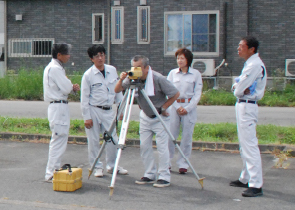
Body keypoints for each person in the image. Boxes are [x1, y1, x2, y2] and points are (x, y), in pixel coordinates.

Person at [115, 55, 180, 188]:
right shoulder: (132, 77)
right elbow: (117, 90)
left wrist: (164, 107)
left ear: (146, 68)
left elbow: (175, 93)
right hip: (145, 115)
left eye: (138, 67)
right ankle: (149, 174)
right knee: (144, 146)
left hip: (159, 116)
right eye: (133, 67)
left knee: (162, 147)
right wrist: (122, 78)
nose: (135, 70)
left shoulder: (158, 78)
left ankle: (164, 176)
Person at [80, 45, 126, 178]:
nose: (100, 58)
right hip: (94, 109)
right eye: (96, 56)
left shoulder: (112, 70)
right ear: (91, 59)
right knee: (93, 141)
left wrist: (120, 108)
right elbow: (84, 98)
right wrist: (86, 117)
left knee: (113, 139)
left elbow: (117, 90)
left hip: (108, 110)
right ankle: (96, 166)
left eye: (102, 55)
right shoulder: (88, 75)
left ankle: (112, 165)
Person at [231, 36, 267, 197]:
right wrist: (237, 87)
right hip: (243, 104)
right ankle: (245, 177)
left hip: (247, 105)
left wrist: (237, 88)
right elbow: (237, 84)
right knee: (243, 144)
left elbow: (239, 89)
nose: (239, 49)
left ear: (251, 49)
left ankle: (256, 184)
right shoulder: (250, 64)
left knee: (249, 145)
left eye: (242, 46)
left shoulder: (254, 65)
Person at [43, 43, 80, 181]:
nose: (69, 56)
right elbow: (66, 88)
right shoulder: (55, 69)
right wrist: (72, 87)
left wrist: (70, 86)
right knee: (58, 140)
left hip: (58, 106)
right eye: (67, 53)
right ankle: (51, 173)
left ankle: (53, 170)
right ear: (59, 55)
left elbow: (66, 86)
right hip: (58, 107)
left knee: (59, 139)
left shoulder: (55, 68)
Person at [166, 48, 203, 175]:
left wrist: (187, 108)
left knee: (187, 136)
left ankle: (183, 163)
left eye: (182, 58)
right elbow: (168, 91)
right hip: (175, 105)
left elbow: (197, 94)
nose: (179, 61)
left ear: (188, 60)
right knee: (171, 135)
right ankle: (168, 161)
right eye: (178, 58)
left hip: (189, 107)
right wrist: (177, 107)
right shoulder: (172, 73)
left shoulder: (196, 74)